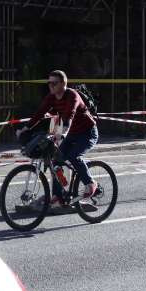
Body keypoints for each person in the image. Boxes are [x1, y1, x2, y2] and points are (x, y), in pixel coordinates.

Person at [17, 69, 99, 208]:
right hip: (72, 133)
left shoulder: (72, 95)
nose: (51, 86)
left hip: (88, 132)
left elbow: (70, 114)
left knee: (74, 156)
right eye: (49, 83)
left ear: (63, 83)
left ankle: (91, 184)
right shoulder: (51, 97)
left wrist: (64, 131)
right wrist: (26, 128)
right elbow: (40, 113)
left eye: (54, 83)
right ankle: (58, 196)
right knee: (56, 161)